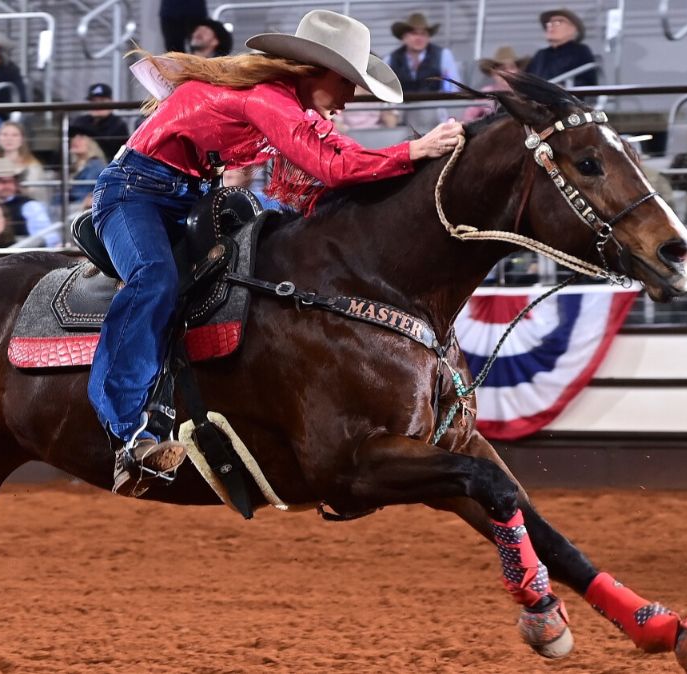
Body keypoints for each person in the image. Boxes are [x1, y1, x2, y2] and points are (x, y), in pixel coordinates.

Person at [89, 9, 463, 495]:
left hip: (186, 192)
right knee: (153, 278)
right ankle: (130, 430)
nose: (351, 98)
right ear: (317, 74)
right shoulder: (268, 100)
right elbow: (332, 162)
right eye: (347, 82)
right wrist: (413, 151)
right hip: (132, 193)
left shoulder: (276, 103)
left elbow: (323, 159)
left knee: (282, 234)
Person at [0, 157, 54, 245]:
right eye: (2, 182)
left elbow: (46, 237)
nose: (7, 186)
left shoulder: (30, 206)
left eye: (11, 181)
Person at [385, 13, 458, 96]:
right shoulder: (391, 59)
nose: (419, 38)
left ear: (428, 37)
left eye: (423, 34)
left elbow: (452, 88)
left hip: (434, 106)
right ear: (404, 37)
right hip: (402, 107)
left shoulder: (443, 55)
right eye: (414, 33)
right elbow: (384, 89)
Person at [525, 8, 597, 87]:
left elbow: (587, 82)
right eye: (548, 24)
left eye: (557, 22)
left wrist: (562, 87)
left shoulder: (580, 51)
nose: (550, 26)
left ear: (573, 29)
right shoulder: (541, 54)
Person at [462, 46, 529, 122]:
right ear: (493, 73)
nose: (507, 72)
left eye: (511, 67)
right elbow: (468, 118)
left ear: (518, 70)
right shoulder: (486, 93)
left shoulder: (527, 93)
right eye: (502, 68)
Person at [68, 83, 131, 160]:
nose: (97, 105)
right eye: (93, 101)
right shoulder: (79, 122)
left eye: (102, 101)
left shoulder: (118, 125)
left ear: (111, 102)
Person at [0, 120, 49, 202]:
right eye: (4, 135)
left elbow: (32, 192)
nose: (9, 139)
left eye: (14, 135)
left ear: (22, 139)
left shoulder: (32, 166)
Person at [67, 130, 106, 210]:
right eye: (74, 137)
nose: (75, 140)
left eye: (81, 138)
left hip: (83, 207)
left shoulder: (95, 166)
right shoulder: (76, 166)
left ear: (91, 143)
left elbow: (82, 195)